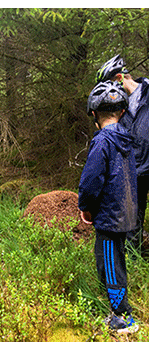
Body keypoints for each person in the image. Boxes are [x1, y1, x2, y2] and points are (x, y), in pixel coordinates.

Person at [78, 80, 140, 334]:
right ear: (122, 112)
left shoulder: (102, 141)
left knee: (109, 266)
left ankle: (123, 318)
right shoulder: (127, 140)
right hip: (126, 212)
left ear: (94, 114)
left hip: (109, 216)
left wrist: (86, 207)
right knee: (117, 261)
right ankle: (121, 311)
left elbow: (91, 180)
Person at [97, 54, 149, 252]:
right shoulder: (120, 107)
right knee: (133, 219)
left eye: (110, 85)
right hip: (135, 171)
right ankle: (134, 262)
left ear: (119, 78)